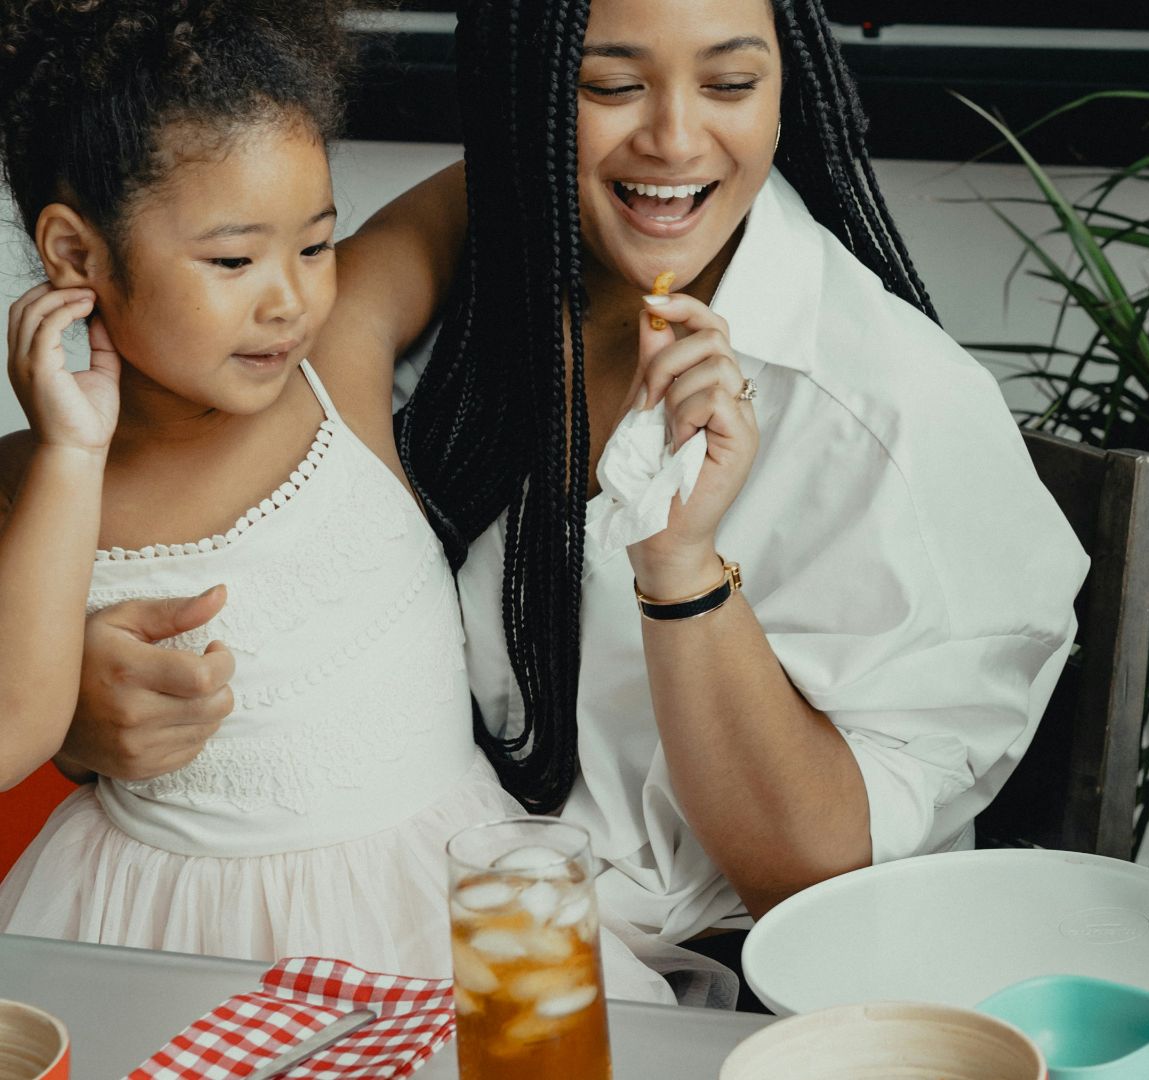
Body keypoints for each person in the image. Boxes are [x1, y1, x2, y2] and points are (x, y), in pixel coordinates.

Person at [53, 0, 1088, 988]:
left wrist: (681, 571)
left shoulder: (893, 418)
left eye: (731, 81)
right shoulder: (437, 309)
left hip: (738, 993)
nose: (678, 140)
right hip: (419, 932)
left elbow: (815, 877)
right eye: (607, 86)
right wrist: (83, 708)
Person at [0, 0, 681, 1004]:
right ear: (74, 254)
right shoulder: (31, 483)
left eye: (314, 245)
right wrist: (69, 453)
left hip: (430, 905)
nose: (288, 298)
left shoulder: (334, 363)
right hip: (155, 931)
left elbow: (485, 185)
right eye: (233, 260)